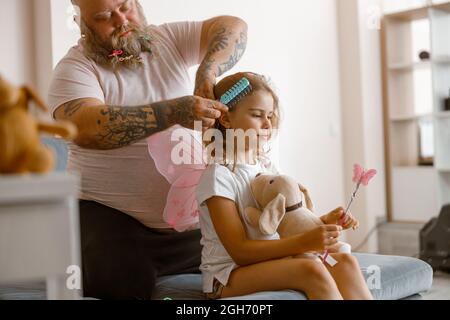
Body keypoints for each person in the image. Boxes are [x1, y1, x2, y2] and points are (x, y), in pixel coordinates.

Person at [48, 0, 247, 300]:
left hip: (187, 227)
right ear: (82, 23)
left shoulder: (167, 39)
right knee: (125, 280)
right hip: (110, 220)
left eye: (125, 6)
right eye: (104, 16)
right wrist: (170, 113)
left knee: (243, 245)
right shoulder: (75, 68)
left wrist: (208, 70)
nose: (121, 20)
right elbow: (88, 128)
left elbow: (233, 26)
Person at [196, 72, 374, 300]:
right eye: (257, 115)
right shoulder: (218, 176)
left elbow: (286, 221)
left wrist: (323, 222)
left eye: (270, 115)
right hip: (227, 276)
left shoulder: (267, 166)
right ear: (227, 119)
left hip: (270, 260)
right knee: (311, 269)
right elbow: (240, 252)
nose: (267, 123)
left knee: (345, 261)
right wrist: (304, 242)